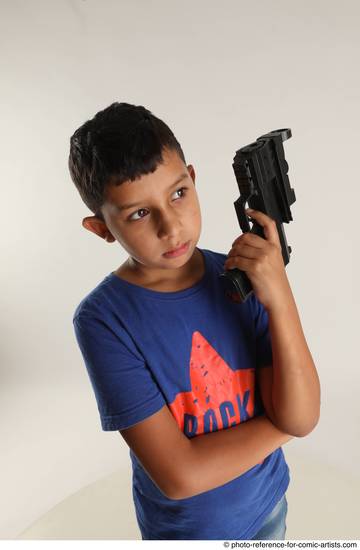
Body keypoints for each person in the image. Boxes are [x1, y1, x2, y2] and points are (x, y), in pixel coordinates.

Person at [68, 102, 321, 540]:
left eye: (178, 193)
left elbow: (303, 412)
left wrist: (280, 296)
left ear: (194, 179)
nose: (171, 226)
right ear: (101, 228)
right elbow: (180, 475)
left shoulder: (246, 280)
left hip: (268, 507)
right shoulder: (103, 320)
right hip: (186, 535)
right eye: (139, 213)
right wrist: (285, 425)